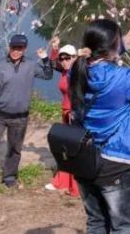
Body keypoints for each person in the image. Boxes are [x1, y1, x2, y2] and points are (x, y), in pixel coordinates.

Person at [70, 18, 130, 234]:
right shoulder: (123, 78)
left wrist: (120, 45)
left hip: (84, 158)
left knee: (96, 222)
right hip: (116, 161)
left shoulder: (76, 72)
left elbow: (98, 62)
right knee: (122, 226)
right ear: (111, 47)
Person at [0, 33, 56, 193]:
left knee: (15, 149)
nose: (16, 51)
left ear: (24, 49)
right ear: (9, 47)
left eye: (19, 48)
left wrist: (45, 59)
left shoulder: (31, 65)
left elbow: (48, 75)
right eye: (13, 47)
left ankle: (9, 178)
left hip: (20, 116)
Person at [45, 43, 80, 196]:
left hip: (75, 114)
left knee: (75, 149)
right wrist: (54, 49)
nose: (64, 61)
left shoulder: (78, 73)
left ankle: (76, 186)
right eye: (62, 58)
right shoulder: (65, 71)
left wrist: (76, 111)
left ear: (75, 58)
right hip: (65, 112)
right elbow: (53, 63)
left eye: (68, 58)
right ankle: (63, 181)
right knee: (64, 148)